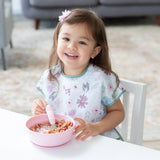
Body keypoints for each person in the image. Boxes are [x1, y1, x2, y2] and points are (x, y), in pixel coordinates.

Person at [32, 8, 125, 141]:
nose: (71, 46)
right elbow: (51, 110)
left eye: (82, 42)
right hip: (63, 141)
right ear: (57, 40)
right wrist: (39, 106)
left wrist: (96, 127)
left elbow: (118, 112)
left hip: (96, 140)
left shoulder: (101, 79)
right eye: (66, 38)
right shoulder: (51, 77)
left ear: (95, 51)